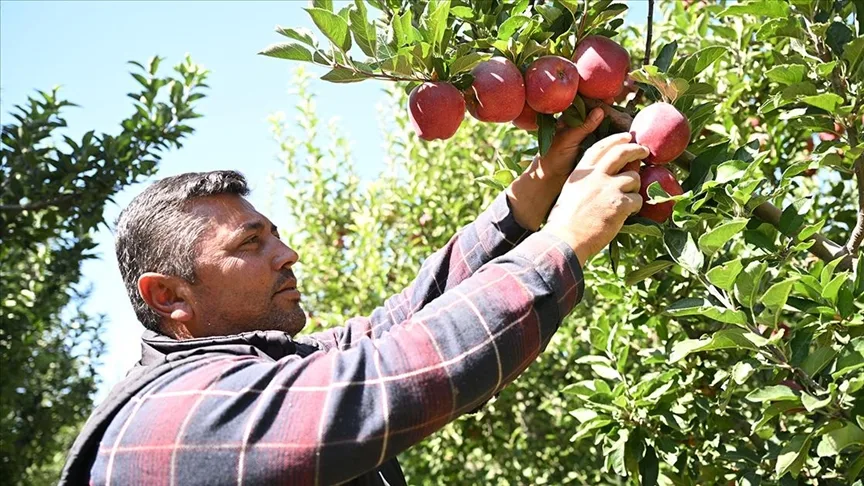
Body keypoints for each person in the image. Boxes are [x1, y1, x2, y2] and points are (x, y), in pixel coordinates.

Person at [60, 107, 647, 485]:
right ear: (168, 296)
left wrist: (538, 188)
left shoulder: (264, 367)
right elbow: (383, 381)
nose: (287, 254)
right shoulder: (175, 414)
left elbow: (402, 319)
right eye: (251, 243)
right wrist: (564, 241)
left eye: (278, 235)